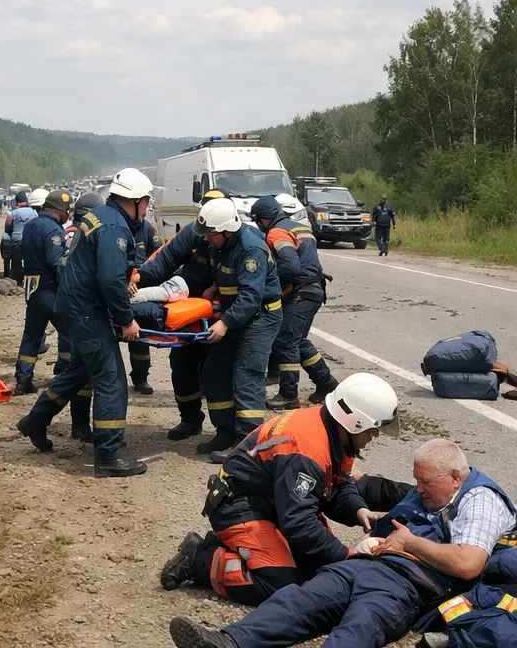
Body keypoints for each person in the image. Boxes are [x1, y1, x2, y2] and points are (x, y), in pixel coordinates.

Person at [168, 438, 516, 648]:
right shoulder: (434, 493)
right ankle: (229, 641)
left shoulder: (480, 500)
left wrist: (409, 542)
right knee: (300, 598)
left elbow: (468, 563)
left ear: (455, 476)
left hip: (408, 586)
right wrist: (373, 529)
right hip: (368, 565)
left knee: (361, 625)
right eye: (417, 481)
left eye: (425, 482)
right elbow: (395, 508)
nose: (418, 488)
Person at [159, 372, 399, 605]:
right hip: (239, 506)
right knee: (279, 585)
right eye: (373, 428)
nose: (375, 435)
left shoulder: (332, 429)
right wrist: (347, 556)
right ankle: (201, 558)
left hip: (273, 502)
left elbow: (337, 483)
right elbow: (299, 523)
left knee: (318, 569)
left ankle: (246, 552)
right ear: (355, 422)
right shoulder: (307, 448)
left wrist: (358, 510)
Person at [15, 168, 154, 478]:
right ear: (135, 200)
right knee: (112, 381)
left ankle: (35, 421)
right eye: (146, 201)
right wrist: (126, 320)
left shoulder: (100, 215)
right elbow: (109, 278)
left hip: (73, 307)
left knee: (78, 372)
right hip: (87, 312)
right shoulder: (114, 226)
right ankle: (107, 456)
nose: (147, 208)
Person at [141, 198, 283, 462]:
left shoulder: (251, 248)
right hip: (235, 314)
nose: (205, 239)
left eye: (210, 235)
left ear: (228, 230)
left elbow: (251, 297)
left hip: (260, 317)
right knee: (214, 372)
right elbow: (222, 270)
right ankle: (225, 432)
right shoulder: (220, 243)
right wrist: (216, 287)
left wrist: (224, 322)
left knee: (247, 375)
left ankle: (247, 445)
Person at [135, 188, 227, 442]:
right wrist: (139, 277)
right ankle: (190, 419)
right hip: (189, 312)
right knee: (182, 365)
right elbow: (165, 258)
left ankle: (225, 431)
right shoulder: (194, 232)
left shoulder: (242, 239)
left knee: (216, 373)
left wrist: (218, 297)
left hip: (223, 316)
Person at [249, 195, 338, 411]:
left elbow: (290, 266)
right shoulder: (300, 228)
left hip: (302, 292)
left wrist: (271, 286)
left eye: (258, 221)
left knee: (285, 341)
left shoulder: (276, 232)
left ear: (263, 219)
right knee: (298, 341)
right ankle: (326, 384)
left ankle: (288, 394)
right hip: (313, 291)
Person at [14, 189, 73, 395]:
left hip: (32, 289)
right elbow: (57, 262)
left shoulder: (31, 225)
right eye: (67, 211)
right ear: (60, 210)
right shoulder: (53, 230)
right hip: (50, 290)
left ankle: (23, 380)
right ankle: (64, 375)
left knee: (31, 335)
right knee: (70, 332)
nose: (68, 215)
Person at [55, 192, 104, 441]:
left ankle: (79, 425)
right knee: (85, 372)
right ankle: (80, 426)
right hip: (82, 309)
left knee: (79, 367)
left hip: (70, 305)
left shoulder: (70, 231)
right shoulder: (85, 232)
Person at [127, 214, 164, 396]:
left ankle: (140, 377)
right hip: (118, 284)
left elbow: (159, 256)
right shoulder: (117, 227)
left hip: (141, 286)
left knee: (139, 335)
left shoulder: (148, 229)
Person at [1, 190, 38, 283]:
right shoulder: (34, 212)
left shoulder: (12, 213)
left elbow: (7, 228)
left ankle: (16, 280)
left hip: (16, 241)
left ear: (17, 201)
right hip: (29, 242)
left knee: (16, 261)